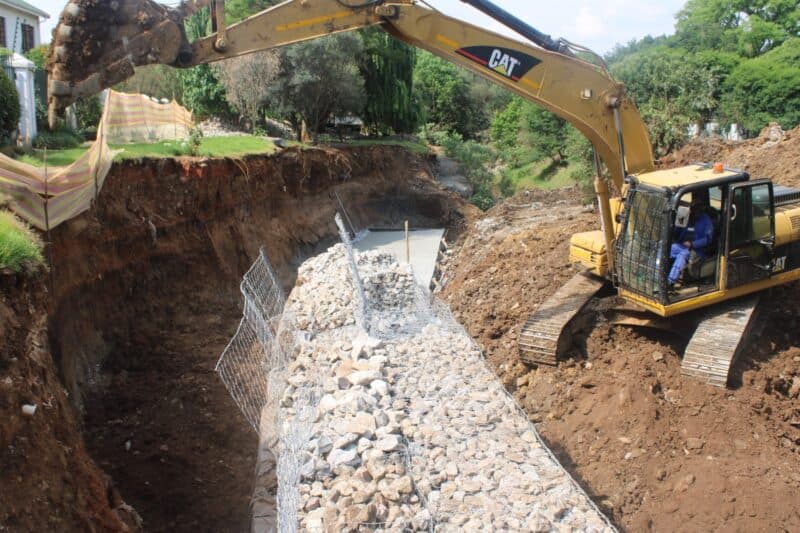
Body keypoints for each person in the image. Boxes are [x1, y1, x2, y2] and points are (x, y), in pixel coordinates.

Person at [668, 193, 715, 286]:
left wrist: (692, 244)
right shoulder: (686, 216)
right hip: (681, 245)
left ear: (701, 209)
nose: (694, 212)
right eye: (692, 209)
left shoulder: (706, 221)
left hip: (696, 250)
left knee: (683, 254)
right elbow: (676, 232)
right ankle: (655, 273)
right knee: (666, 249)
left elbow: (707, 239)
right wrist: (679, 222)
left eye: (697, 209)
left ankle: (670, 281)